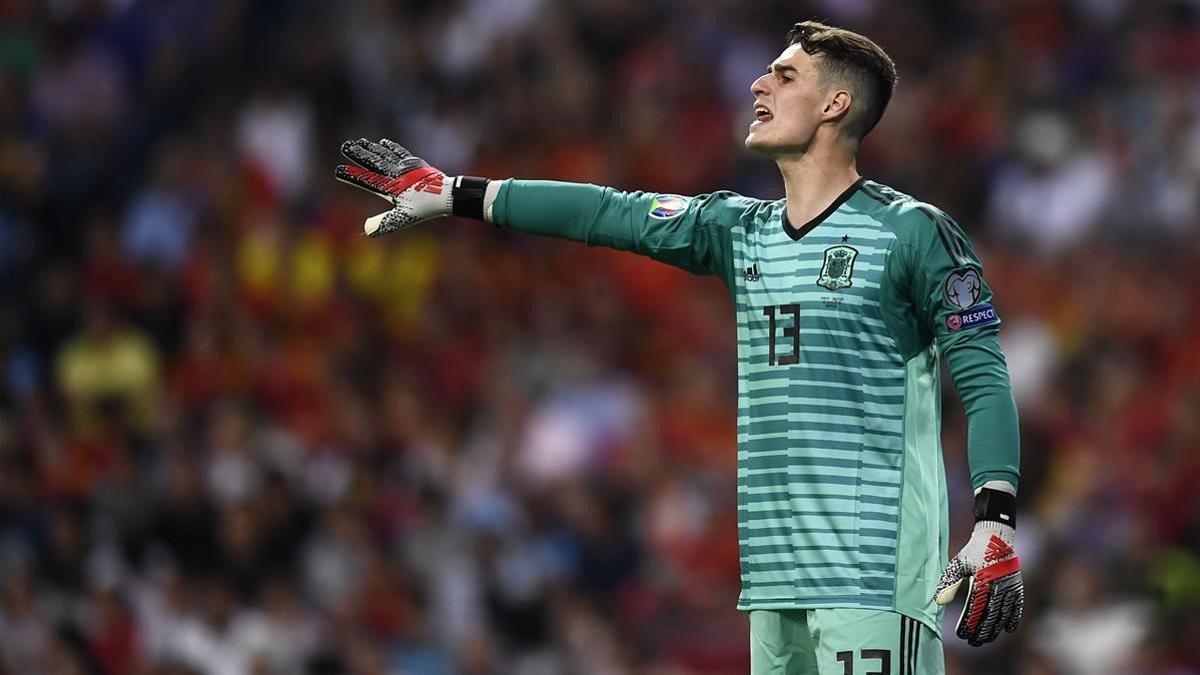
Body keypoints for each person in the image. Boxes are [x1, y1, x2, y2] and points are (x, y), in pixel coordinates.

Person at [335, 20, 1022, 675]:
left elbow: (984, 375)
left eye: (784, 76)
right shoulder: (739, 229)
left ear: (835, 104)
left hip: (872, 572)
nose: (759, 85)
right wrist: (453, 192)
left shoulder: (914, 233)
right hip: (774, 578)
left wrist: (995, 523)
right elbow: (609, 212)